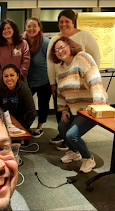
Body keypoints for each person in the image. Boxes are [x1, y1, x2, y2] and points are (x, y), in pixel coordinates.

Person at [48, 37, 108, 173]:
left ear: (70, 46)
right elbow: (61, 92)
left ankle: (88, 158)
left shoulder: (82, 58)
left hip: (91, 107)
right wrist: (63, 110)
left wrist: (98, 102)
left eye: (62, 47)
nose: (59, 51)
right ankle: (74, 152)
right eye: (56, 50)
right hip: (75, 110)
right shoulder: (62, 68)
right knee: (62, 127)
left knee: (71, 135)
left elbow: (94, 79)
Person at [47, 9, 101, 150]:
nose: (63, 24)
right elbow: (50, 63)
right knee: (63, 115)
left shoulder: (84, 36)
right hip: (63, 86)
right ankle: (66, 136)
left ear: (73, 22)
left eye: (67, 21)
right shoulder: (54, 39)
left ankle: (72, 139)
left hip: (82, 88)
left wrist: (92, 82)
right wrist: (53, 83)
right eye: (61, 22)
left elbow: (95, 59)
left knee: (76, 121)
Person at [22, 17, 51, 138]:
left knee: (43, 104)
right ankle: (24, 126)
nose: (31, 29)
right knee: (25, 104)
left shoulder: (45, 42)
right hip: (28, 80)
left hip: (45, 80)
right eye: (29, 26)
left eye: (34, 26)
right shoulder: (22, 41)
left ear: (39, 28)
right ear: (25, 28)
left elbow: (52, 62)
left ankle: (40, 127)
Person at [0, 64, 36, 133]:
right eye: (6, 76)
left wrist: (24, 127)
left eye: (12, 75)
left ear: (17, 76)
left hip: (21, 122)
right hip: (5, 122)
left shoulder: (24, 89)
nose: (9, 78)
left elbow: (31, 112)